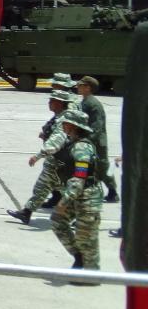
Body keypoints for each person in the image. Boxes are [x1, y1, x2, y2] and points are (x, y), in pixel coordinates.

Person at [8, 89, 75, 224]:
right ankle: (26, 213)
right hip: (55, 162)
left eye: (52, 101)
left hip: (60, 162)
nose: (49, 103)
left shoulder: (64, 119)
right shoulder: (59, 117)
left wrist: (38, 156)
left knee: (70, 191)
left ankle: (82, 216)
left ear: (61, 103)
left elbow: (56, 141)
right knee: (42, 188)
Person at [50, 108, 103, 280]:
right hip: (76, 195)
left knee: (86, 237)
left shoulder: (81, 148)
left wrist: (64, 201)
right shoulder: (72, 143)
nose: (63, 126)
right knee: (58, 222)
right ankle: (79, 258)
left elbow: (80, 177)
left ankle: (89, 276)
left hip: (88, 197)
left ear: (73, 126)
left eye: (66, 123)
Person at [76, 76, 119, 203]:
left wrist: (87, 140)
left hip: (97, 142)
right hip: (90, 140)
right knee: (95, 167)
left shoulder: (93, 103)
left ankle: (113, 192)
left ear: (88, 88)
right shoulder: (85, 102)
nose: (78, 87)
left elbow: (97, 126)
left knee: (102, 167)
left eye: (81, 85)